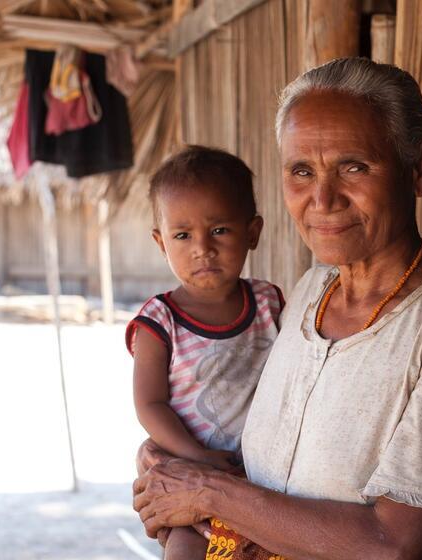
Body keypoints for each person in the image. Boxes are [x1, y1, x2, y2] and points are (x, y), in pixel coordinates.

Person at [132, 57, 422, 559]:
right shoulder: (309, 293)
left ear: (418, 169)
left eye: (353, 166)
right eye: (301, 171)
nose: (322, 197)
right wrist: (168, 468)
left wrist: (206, 493)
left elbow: (391, 546)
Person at [126, 146, 285, 558]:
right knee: (185, 547)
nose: (202, 248)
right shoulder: (160, 322)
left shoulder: (269, 303)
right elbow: (149, 404)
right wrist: (197, 457)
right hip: (190, 473)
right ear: (161, 243)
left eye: (219, 231)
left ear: (252, 232)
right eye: (182, 235)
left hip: (265, 480)